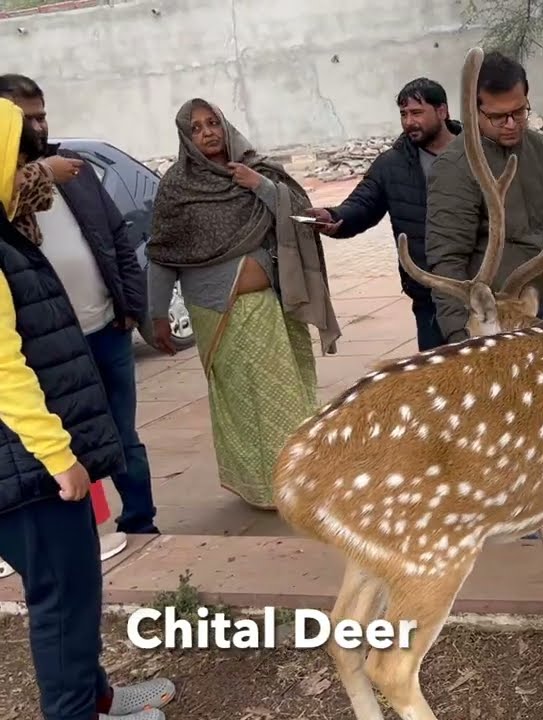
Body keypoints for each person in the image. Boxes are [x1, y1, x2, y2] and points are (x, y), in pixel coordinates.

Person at [1, 97, 178, 720]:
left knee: (73, 592)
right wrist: (58, 456)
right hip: (27, 468)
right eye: (16, 154)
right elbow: (3, 368)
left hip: (28, 460)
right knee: (61, 599)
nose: (29, 166)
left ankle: (98, 698)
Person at [147, 98, 341, 509]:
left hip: (275, 304)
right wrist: (158, 313)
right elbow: (162, 255)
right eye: (196, 128)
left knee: (291, 391)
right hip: (220, 312)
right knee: (243, 400)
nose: (207, 133)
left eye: (212, 122)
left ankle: (299, 477)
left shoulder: (259, 170)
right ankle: (266, 486)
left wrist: (262, 187)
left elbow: (302, 217)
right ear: (186, 137)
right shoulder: (177, 187)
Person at [0, 74, 159, 537]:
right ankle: (90, 534)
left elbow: (116, 238)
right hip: (44, 349)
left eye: (41, 115)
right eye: (24, 119)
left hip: (105, 329)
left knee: (123, 436)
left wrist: (131, 307)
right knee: (69, 444)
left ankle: (141, 522)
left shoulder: (73, 168)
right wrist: (41, 171)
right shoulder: (20, 184)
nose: (37, 126)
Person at [425, 52, 543, 343]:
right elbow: (447, 259)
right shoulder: (455, 167)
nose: (510, 123)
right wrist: (462, 339)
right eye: (497, 116)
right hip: (490, 320)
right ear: (473, 110)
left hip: (535, 303)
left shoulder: (539, 148)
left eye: (519, 112)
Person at [305, 77, 462, 351]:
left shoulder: (476, 152)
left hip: (480, 285)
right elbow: (363, 203)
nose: (409, 122)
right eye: (403, 114)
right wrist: (333, 217)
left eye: (417, 113)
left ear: (442, 111)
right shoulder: (392, 164)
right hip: (430, 292)